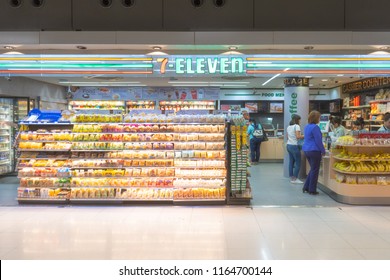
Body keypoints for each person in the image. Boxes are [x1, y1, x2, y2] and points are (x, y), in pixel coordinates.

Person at [302, 111, 326, 195]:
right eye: (319, 117)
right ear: (316, 118)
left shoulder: (307, 126)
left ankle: (306, 187)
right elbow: (318, 141)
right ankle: (312, 190)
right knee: (315, 170)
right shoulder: (315, 127)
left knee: (312, 169)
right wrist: (323, 150)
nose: (319, 119)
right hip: (314, 150)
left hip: (306, 150)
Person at [286, 114, 304, 184]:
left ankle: (291, 177)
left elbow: (287, 137)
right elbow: (298, 137)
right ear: (297, 120)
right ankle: (295, 179)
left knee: (291, 162)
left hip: (289, 145)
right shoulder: (297, 126)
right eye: (300, 120)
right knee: (298, 162)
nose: (300, 121)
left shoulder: (289, 127)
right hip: (294, 146)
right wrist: (305, 135)